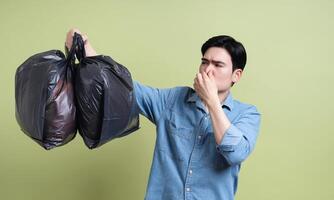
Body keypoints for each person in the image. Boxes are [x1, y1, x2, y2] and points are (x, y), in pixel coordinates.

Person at [66, 28, 261, 200]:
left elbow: (235, 153)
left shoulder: (248, 114)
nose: (208, 70)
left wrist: (211, 102)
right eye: (204, 62)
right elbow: (125, 88)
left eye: (218, 65)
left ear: (236, 75)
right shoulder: (173, 99)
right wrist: (86, 50)